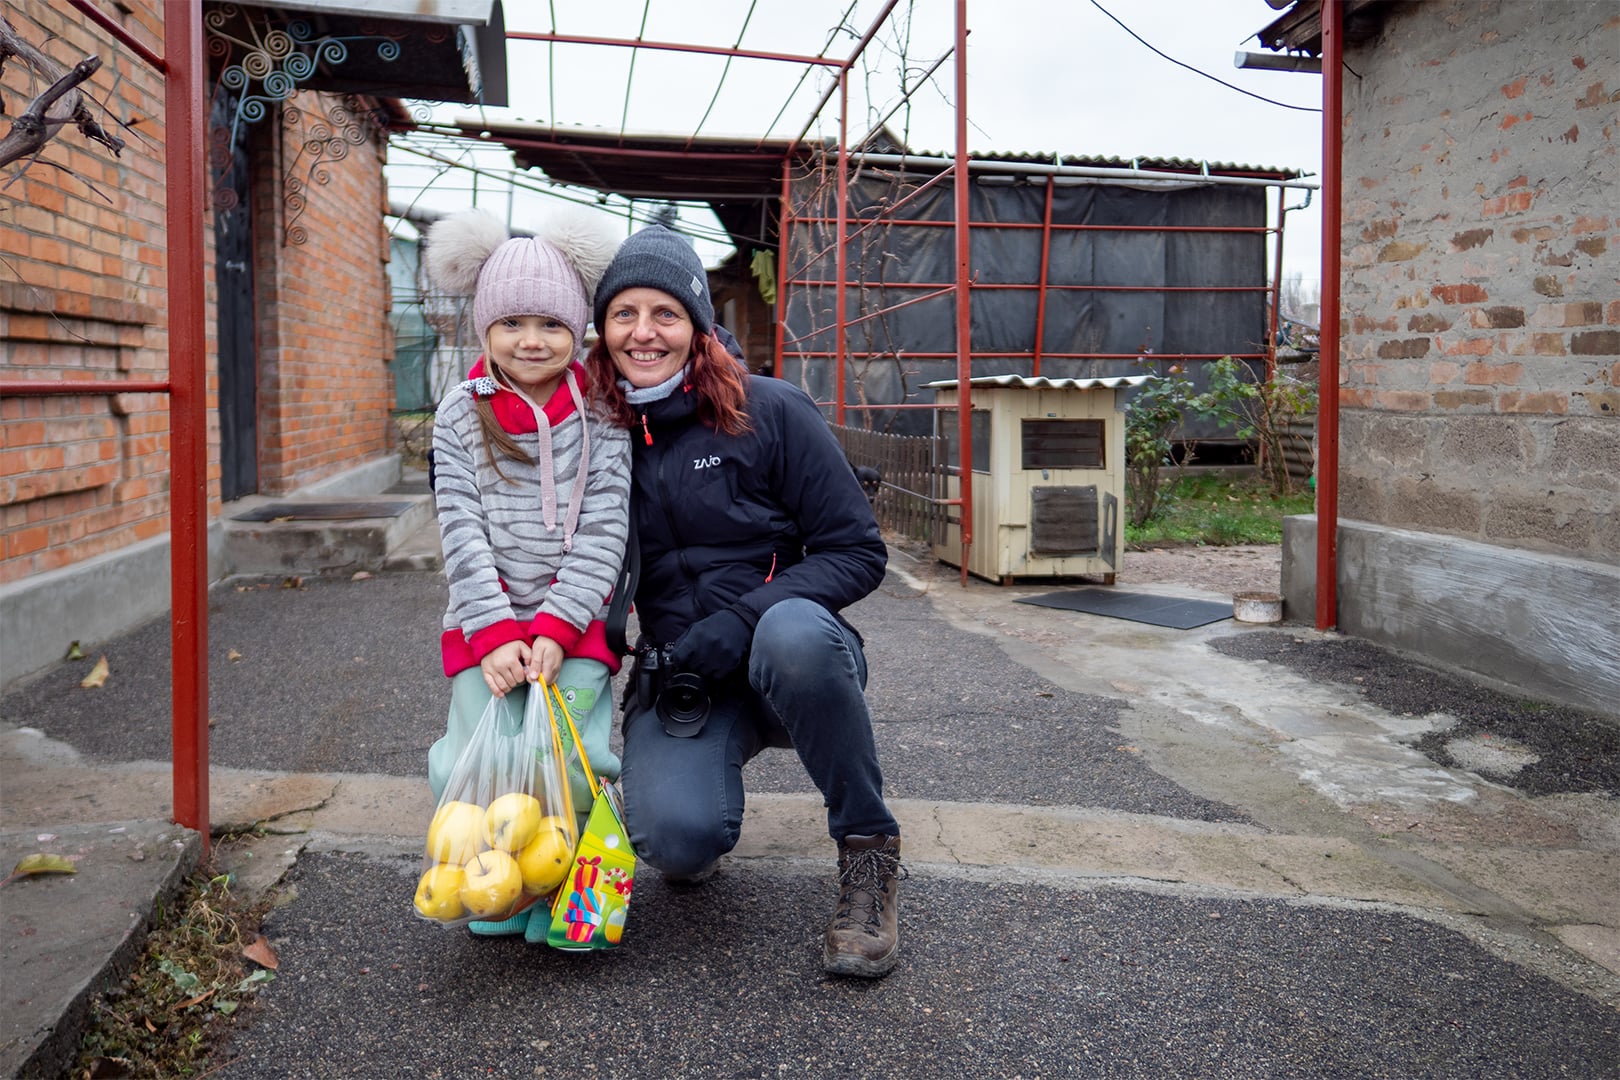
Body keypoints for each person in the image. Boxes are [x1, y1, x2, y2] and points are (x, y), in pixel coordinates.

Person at [584, 225, 906, 978]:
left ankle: (868, 853)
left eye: (665, 314)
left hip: (791, 659)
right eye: (624, 313)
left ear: (697, 324)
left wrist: (743, 618)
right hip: (689, 679)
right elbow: (514, 375)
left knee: (793, 634)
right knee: (674, 843)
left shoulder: (770, 410)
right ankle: (697, 799)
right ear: (602, 330)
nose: (643, 332)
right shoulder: (597, 432)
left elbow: (857, 552)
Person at [421, 208, 629, 941]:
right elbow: (460, 531)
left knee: (571, 765)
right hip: (485, 628)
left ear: (579, 329)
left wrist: (557, 627)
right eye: (511, 323)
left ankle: (560, 896)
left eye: (551, 323)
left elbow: (605, 528)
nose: (531, 340)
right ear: (485, 327)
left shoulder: (603, 412)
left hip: (575, 627)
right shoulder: (459, 413)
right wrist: (497, 632)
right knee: (472, 767)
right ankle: (494, 891)